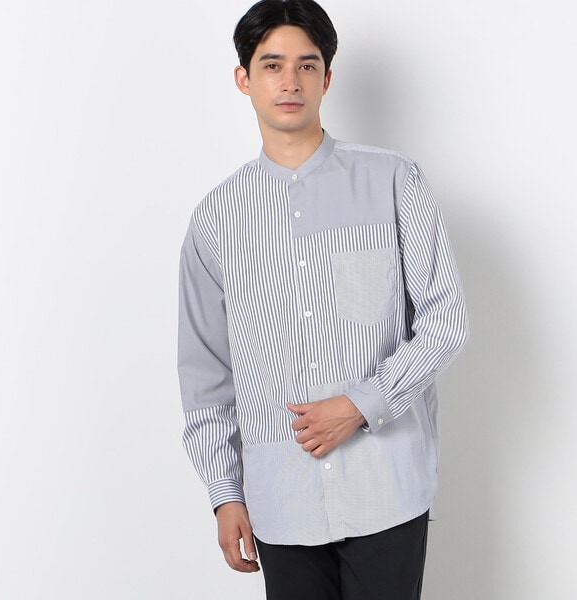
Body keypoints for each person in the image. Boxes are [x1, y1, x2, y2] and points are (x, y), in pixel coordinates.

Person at [178, 1, 468, 598]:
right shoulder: (215, 219)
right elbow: (206, 372)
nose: (290, 81)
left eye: (306, 66)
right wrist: (225, 493)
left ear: (327, 78)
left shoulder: (394, 181)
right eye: (272, 65)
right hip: (281, 500)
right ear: (244, 79)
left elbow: (446, 322)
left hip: (385, 487)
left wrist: (361, 404)